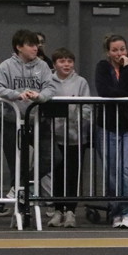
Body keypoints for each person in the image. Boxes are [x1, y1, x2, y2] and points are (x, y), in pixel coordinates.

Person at [0, 29, 56, 204]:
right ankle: (20, 206)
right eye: (31, 45)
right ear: (19, 47)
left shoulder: (43, 66)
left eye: (37, 45)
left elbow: (51, 88)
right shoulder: (6, 66)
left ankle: (21, 185)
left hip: (38, 120)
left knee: (52, 157)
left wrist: (40, 96)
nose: (36, 48)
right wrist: (16, 95)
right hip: (12, 121)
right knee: (16, 163)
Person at [95, 34, 128, 229]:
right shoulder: (102, 67)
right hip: (107, 125)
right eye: (115, 50)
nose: (119, 53)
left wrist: (126, 68)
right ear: (108, 52)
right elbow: (105, 91)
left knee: (127, 169)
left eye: (122, 49)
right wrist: (127, 95)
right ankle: (115, 211)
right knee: (112, 170)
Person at [47, 48, 92, 228]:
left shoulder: (81, 82)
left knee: (73, 174)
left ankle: (71, 211)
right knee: (57, 174)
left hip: (76, 137)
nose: (66, 65)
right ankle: (58, 210)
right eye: (62, 61)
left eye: (69, 61)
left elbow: (88, 106)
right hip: (54, 136)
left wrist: (79, 120)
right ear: (54, 64)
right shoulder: (48, 81)